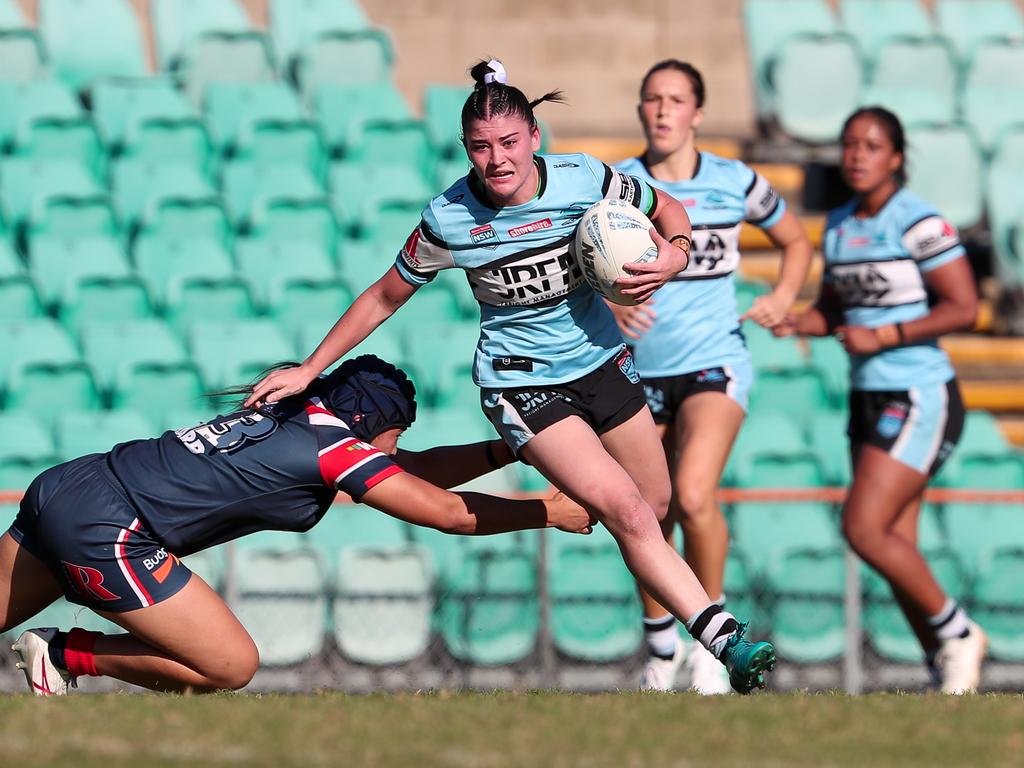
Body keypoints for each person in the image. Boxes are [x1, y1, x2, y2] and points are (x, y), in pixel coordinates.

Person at [245, 58, 776, 693]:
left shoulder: (585, 178)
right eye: (479, 147)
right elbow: (385, 296)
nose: (496, 160)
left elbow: (670, 210)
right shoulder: (449, 218)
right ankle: (722, 643)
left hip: (604, 364)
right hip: (522, 383)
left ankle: (659, 641)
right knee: (630, 510)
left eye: (508, 142)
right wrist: (311, 367)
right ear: (465, 149)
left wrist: (672, 255)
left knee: (654, 504)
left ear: (534, 138)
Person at [4, 355, 597, 695]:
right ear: (372, 423)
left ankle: (59, 653)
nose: (397, 452)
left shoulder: (303, 414)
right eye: (397, 435)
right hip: (112, 529)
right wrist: (547, 512)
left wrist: (508, 451)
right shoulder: (332, 449)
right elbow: (443, 513)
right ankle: (66, 654)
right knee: (230, 665)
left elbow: (408, 473)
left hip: (69, 483)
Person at [611, 60, 813, 694]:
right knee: (647, 512)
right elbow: (578, 269)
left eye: (676, 100)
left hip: (715, 362)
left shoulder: (735, 181)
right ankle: (660, 651)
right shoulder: (616, 186)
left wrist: (784, 295)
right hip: (636, 373)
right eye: (652, 99)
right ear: (640, 109)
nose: (663, 110)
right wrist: (612, 303)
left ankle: (714, 644)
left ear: (698, 113)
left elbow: (797, 242)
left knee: (694, 494)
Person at [773, 107, 987, 694]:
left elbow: (965, 307)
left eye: (872, 146)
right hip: (867, 396)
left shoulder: (919, 222)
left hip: (918, 392)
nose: (858, 155)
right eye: (849, 145)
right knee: (897, 544)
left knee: (864, 528)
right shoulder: (840, 224)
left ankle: (959, 634)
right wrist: (797, 322)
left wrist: (887, 335)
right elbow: (838, 312)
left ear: (896, 157)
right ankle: (939, 668)